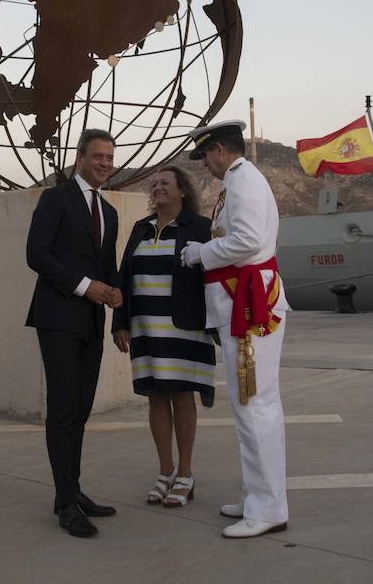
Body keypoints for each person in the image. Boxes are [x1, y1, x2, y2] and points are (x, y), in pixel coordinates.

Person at [181, 120, 290, 539]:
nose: (205, 164)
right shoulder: (240, 181)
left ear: (220, 151)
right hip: (244, 305)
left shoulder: (242, 182)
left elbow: (245, 240)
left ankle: (267, 508)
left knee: (254, 404)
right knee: (252, 404)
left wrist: (200, 253)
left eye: (206, 155)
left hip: (249, 308)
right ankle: (258, 496)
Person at [26, 128, 123, 538]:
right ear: (80, 157)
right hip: (58, 318)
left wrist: (120, 310)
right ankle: (66, 504)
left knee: (80, 409)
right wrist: (86, 286)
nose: (104, 163)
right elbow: (36, 254)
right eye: (97, 156)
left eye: (109, 158)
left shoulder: (110, 212)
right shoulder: (55, 199)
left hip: (91, 323)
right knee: (64, 411)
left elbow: (108, 269)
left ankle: (71, 489)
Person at [112, 166, 213, 509]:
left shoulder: (199, 227)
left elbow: (212, 276)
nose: (157, 188)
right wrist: (120, 322)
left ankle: (185, 474)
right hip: (145, 326)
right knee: (155, 396)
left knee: (183, 397)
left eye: (164, 183)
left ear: (183, 190)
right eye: (153, 184)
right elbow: (124, 274)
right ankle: (165, 471)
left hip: (184, 327)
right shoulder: (141, 228)